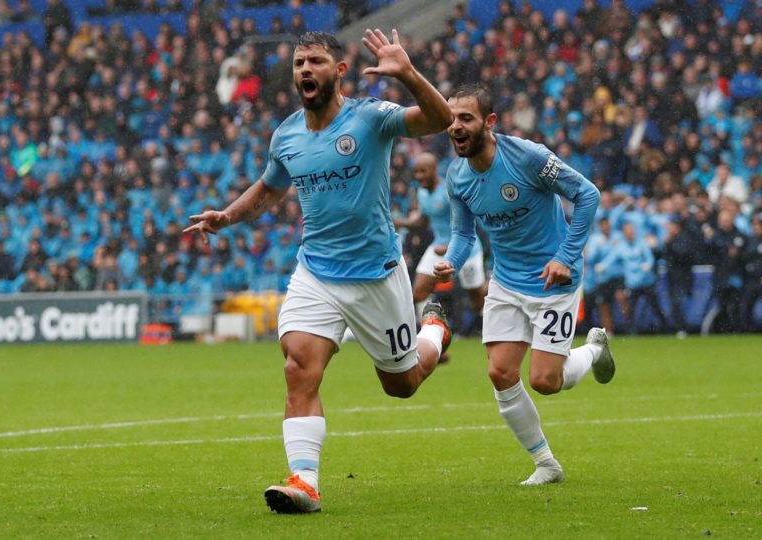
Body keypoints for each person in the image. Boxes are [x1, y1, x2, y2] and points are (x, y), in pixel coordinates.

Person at [184, 30, 453, 513]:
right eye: (299, 63)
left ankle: (433, 330)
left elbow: (440, 119)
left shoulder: (370, 117)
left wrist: (409, 74)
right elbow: (270, 188)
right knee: (298, 367)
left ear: (339, 70)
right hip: (317, 273)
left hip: (375, 275)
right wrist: (227, 216)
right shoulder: (286, 135)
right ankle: (305, 483)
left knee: (403, 383)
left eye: (316, 61)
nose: (305, 69)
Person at [433, 84, 616, 486]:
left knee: (545, 382)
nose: (455, 126)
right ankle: (546, 464)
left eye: (466, 118)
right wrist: (452, 262)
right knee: (500, 372)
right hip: (506, 280)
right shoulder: (457, 175)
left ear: (489, 122)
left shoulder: (528, 157)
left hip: (554, 280)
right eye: (451, 118)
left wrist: (565, 257)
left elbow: (587, 195)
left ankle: (593, 349)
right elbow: (462, 234)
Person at [393, 151, 488, 328]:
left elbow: (467, 225)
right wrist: (395, 222)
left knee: (476, 298)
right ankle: (429, 332)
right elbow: (422, 221)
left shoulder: (448, 192)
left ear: (434, 169)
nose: (418, 176)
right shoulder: (421, 193)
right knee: (418, 292)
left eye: (423, 171)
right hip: (438, 247)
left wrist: (449, 247)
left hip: (467, 248)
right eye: (416, 171)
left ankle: (493, 313)